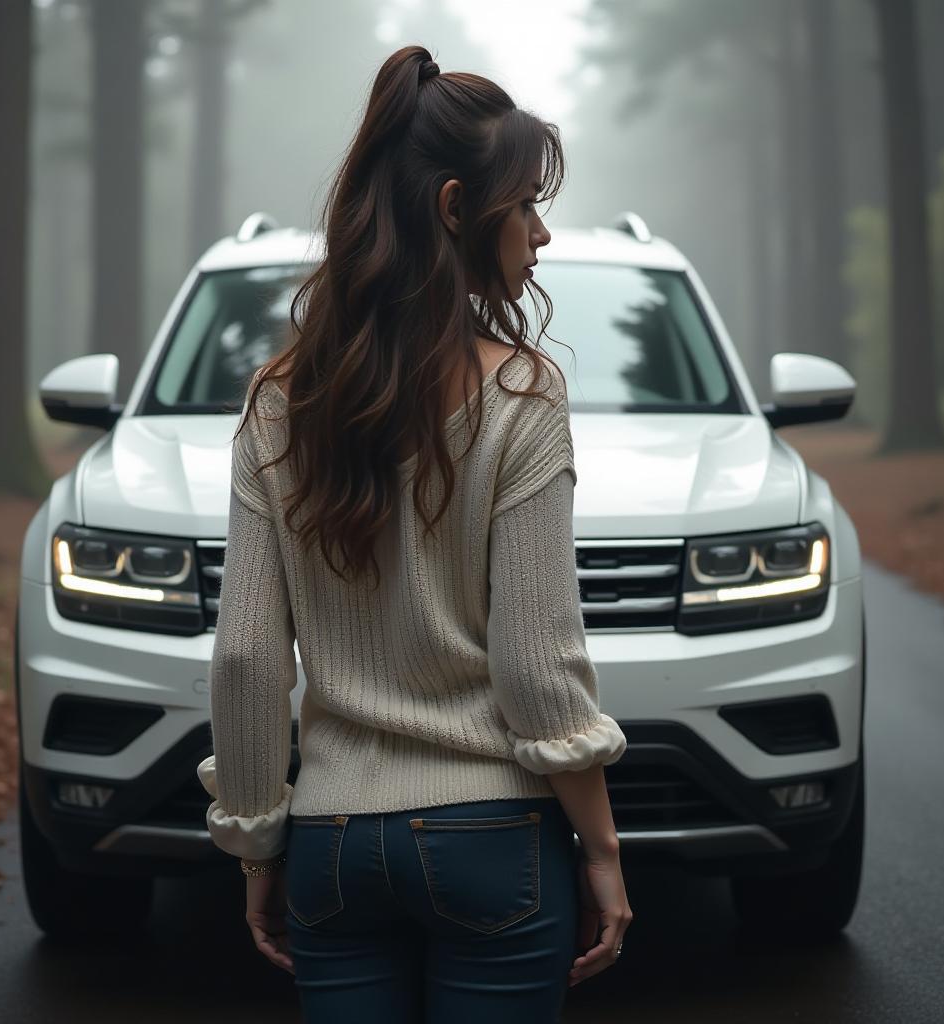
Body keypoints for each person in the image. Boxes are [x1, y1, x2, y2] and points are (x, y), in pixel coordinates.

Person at [196, 44, 633, 1023]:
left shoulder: (279, 400)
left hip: (333, 844)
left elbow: (248, 654)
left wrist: (257, 846)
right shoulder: (523, 395)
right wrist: (601, 853)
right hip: (496, 839)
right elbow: (536, 663)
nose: (540, 232)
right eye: (523, 203)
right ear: (452, 207)